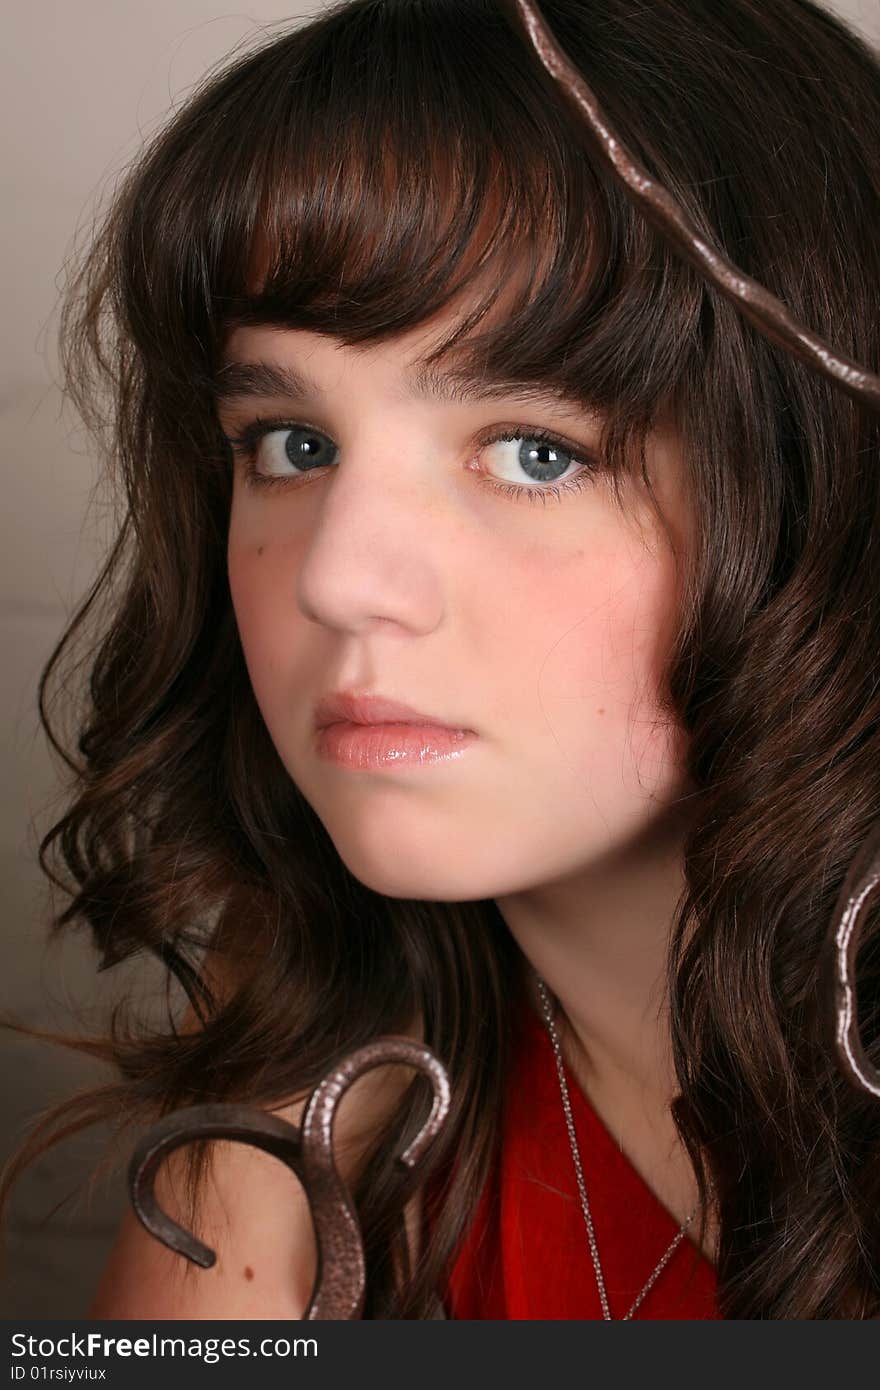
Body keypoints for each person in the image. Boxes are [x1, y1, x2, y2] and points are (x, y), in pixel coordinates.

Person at [1, 0, 879, 1319]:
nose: (339, 576)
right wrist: (258, 1176)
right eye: (292, 444)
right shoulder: (309, 1110)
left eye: (537, 450)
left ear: (822, 489)